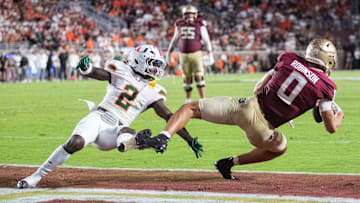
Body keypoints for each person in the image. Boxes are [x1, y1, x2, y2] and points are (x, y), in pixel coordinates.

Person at [146, 39, 345, 179]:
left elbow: (258, 88)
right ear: (328, 58)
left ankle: (164, 137)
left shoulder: (289, 58)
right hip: (261, 129)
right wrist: (340, 115)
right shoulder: (327, 87)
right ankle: (229, 163)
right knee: (280, 146)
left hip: (244, 106)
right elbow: (331, 127)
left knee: (190, 107)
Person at [17, 45, 203, 189]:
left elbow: (170, 116)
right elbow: (99, 73)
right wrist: (86, 69)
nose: (156, 69)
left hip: (115, 131)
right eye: (153, 64)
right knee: (76, 142)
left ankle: (134, 142)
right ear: (139, 61)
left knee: (126, 131)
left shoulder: (155, 91)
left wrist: (189, 139)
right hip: (99, 117)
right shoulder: (122, 70)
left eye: (157, 65)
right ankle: (36, 176)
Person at [166, 4, 213, 104]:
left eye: (191, 14)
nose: (189, 16)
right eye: (187, 14)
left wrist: (210, 52)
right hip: (183, 54)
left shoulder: (199, 23)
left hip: (196, 53)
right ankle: (188, 100)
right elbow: (175, 39)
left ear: (195, 14)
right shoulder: (179, 24)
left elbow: (206, 39)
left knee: (199, 76)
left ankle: (203, 99)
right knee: (187, 77)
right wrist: (169, 52)